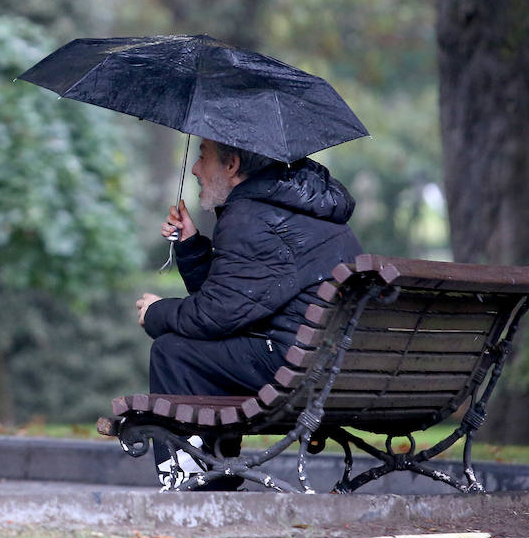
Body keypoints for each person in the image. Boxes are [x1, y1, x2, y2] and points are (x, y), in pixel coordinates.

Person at [134, 138, 361, 490]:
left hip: (294, 368)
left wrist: (156, 313)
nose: (195, 169)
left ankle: (193, 484)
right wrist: (192, 245)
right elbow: (237, 305)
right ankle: (211, 471)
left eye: (203, 157)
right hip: (337, 368)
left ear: (231, 165)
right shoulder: (309, 211)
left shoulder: (252, 215)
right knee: (194, 350)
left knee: (172, 351)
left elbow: (216, 316)